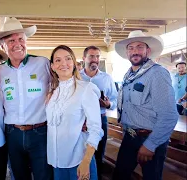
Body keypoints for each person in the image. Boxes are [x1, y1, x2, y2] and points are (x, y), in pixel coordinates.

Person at [0, 17, 53, 180]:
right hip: (12, 133)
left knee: (43, 176)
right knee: (18, 175)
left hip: (40, 132)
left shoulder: (42, 63)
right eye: (11, 40)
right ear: (3, 45)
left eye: (21, 39)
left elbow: (63, 85)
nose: (17, 44)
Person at [113, 30, 178, 180]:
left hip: (149, 137)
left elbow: (169, 115)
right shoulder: (129, 74)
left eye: (139, 47)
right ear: (127, 52)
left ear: (148, 51)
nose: (135, 51)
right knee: (119, 176)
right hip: (130, 137)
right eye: (131, 48)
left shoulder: (157, 73)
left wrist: (151, 145)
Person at [46, 45, 103, 180]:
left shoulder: (86, 88)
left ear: (74, 63)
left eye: (68, 59)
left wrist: (86, 161)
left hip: (78, 160)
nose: (63, 63)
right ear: (52, 66)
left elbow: (96, 129)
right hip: (57, 161)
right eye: (58, 60)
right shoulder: (52, 91)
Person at [80, 46, 118, 180]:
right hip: (80, 121)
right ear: (84, 58)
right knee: (81, 153)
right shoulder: (76, 76)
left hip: (101, 120)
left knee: (99, 152)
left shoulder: (107, 78)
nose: (94, 60)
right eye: (91, 56)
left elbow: (115, 99)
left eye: (97, 56)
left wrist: (108, 104)